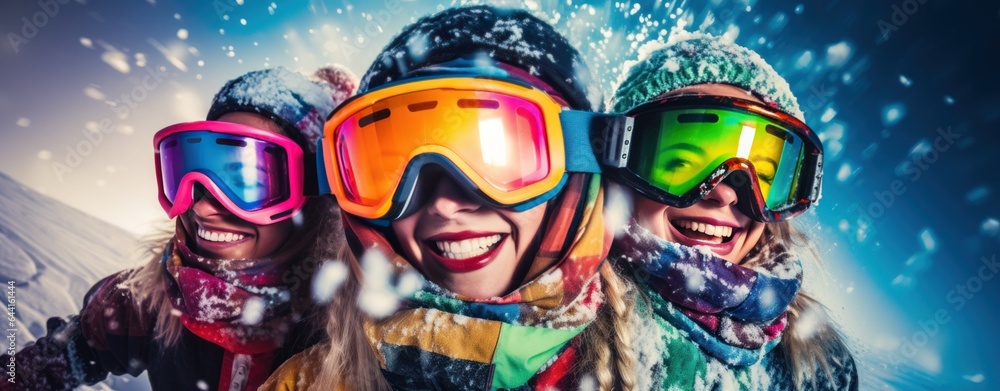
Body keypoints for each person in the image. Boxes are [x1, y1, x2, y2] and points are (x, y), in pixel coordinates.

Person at [262, 6, 637, 390]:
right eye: (389, 167)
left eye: (500, 154)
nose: (444, 203)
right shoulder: (306, 383)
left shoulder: (667, 368)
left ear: (579, 171)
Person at [0, 66, 356, 391]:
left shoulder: (351, 338)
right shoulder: (147, 302)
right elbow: (46, 364)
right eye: (192, 173)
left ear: (315, 198)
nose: (203, 205)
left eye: (247, 180)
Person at [600, 32, 859, 390]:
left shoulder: (818, 364)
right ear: (619, 164)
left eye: (762, 177)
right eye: (681, 163)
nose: (725, 194)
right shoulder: (564, 319)